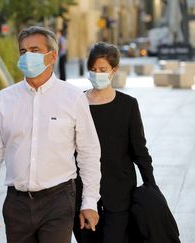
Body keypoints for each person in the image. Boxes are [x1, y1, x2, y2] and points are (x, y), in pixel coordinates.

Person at [0, 26, 101, 243]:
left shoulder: (72, 98)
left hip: (58, 200)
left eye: (34, 50)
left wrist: (89, 202)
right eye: (23, 52)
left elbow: (89, 153)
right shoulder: (4, 100)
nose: (27, 56)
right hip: (17, 203)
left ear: (52, 56)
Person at [72, 42, 157, 243]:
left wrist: (151, 185)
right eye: (93, 70)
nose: (97, 74)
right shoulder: (77, 103)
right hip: (82, 193)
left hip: (120, 193)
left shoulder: (128, 105)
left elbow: (139, 149)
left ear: (114, 70)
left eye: (102, 70)